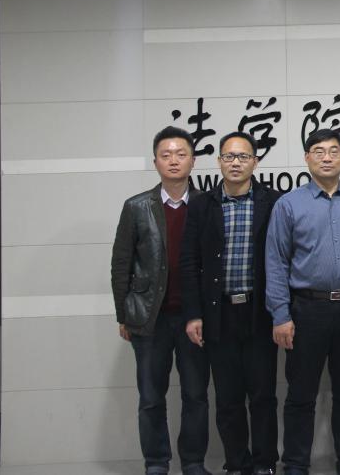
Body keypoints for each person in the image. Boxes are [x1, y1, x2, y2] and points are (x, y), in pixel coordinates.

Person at [266, 128, 340, 475]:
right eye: (319, 151)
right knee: (301, 394)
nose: (327, 157)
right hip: (306, 310)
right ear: (307, 158)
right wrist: (280, 315)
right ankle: (295, 464)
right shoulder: (288, 205)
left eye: (334, 151)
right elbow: (276, 263)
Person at [111, 126, 211, 475]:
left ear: (193, 161)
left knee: (196, 396)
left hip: (194, 318)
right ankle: (156, 462)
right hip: (149, 319)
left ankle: (194, 462)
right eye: (166, 155)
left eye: (181, 154)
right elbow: (121, 263)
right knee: (151, 398)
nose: (173, 161)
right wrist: (124, 314)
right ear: (155, 162)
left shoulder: (206, 204)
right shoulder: (137, 207)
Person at [181, 132, 282, 475]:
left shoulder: (273, 202)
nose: (235, 163)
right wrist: (193, 314)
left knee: (263, 395)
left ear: (256, 162)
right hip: (218, 313)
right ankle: (237, 463)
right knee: (227, 398)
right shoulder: (202, 205)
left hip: (259, 312)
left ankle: (265, 463)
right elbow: (189, 262)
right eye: (228, 156)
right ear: (219, 161)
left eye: (243, 157)